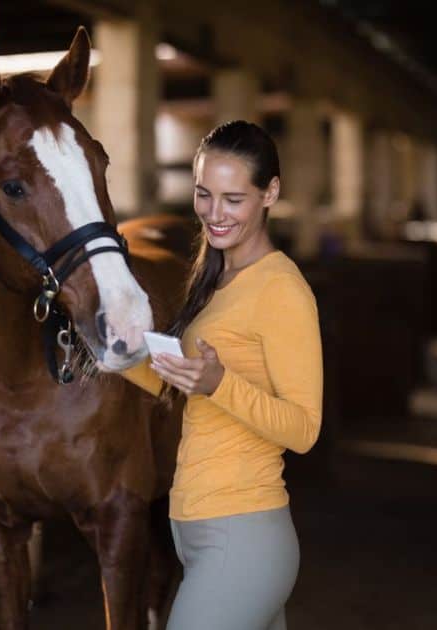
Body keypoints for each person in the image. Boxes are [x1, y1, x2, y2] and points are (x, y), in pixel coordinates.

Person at [122, 120, 323, 630]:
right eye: (203, 194)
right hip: (198, 531)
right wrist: (118, 357)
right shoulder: (218, 279)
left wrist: (221, 385)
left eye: (234, 199)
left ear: (270, 193)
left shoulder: (282, 289)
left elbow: (304, 429)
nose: (215, 213)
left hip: (244, 535)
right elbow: (184, 387)